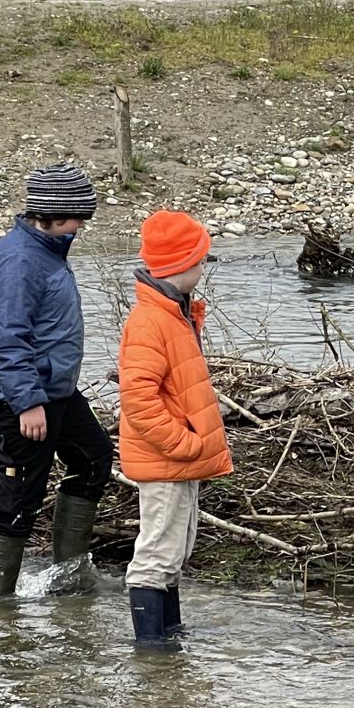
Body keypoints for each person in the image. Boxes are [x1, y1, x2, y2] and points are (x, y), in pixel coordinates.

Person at [0, 163, 113, 602]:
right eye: (77, 217)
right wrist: (27, 400)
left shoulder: (46, 248)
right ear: (51, 213)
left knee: (94, 458)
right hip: (21, 400)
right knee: (19, 502)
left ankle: (69, 577)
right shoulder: (19, 259)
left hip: (56, 392)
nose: (82, 225)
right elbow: (4, 334)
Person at [118, 209, 233, 646]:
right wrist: (184, 444)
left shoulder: (175, 314)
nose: (204, 268)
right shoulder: (152, 322)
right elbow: (139, 400)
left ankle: (170, 635)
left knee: (175, 550)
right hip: (167, 458)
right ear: (181, 266)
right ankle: (152, 650)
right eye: (201, 261)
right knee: (157, 554)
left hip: (180, 459)